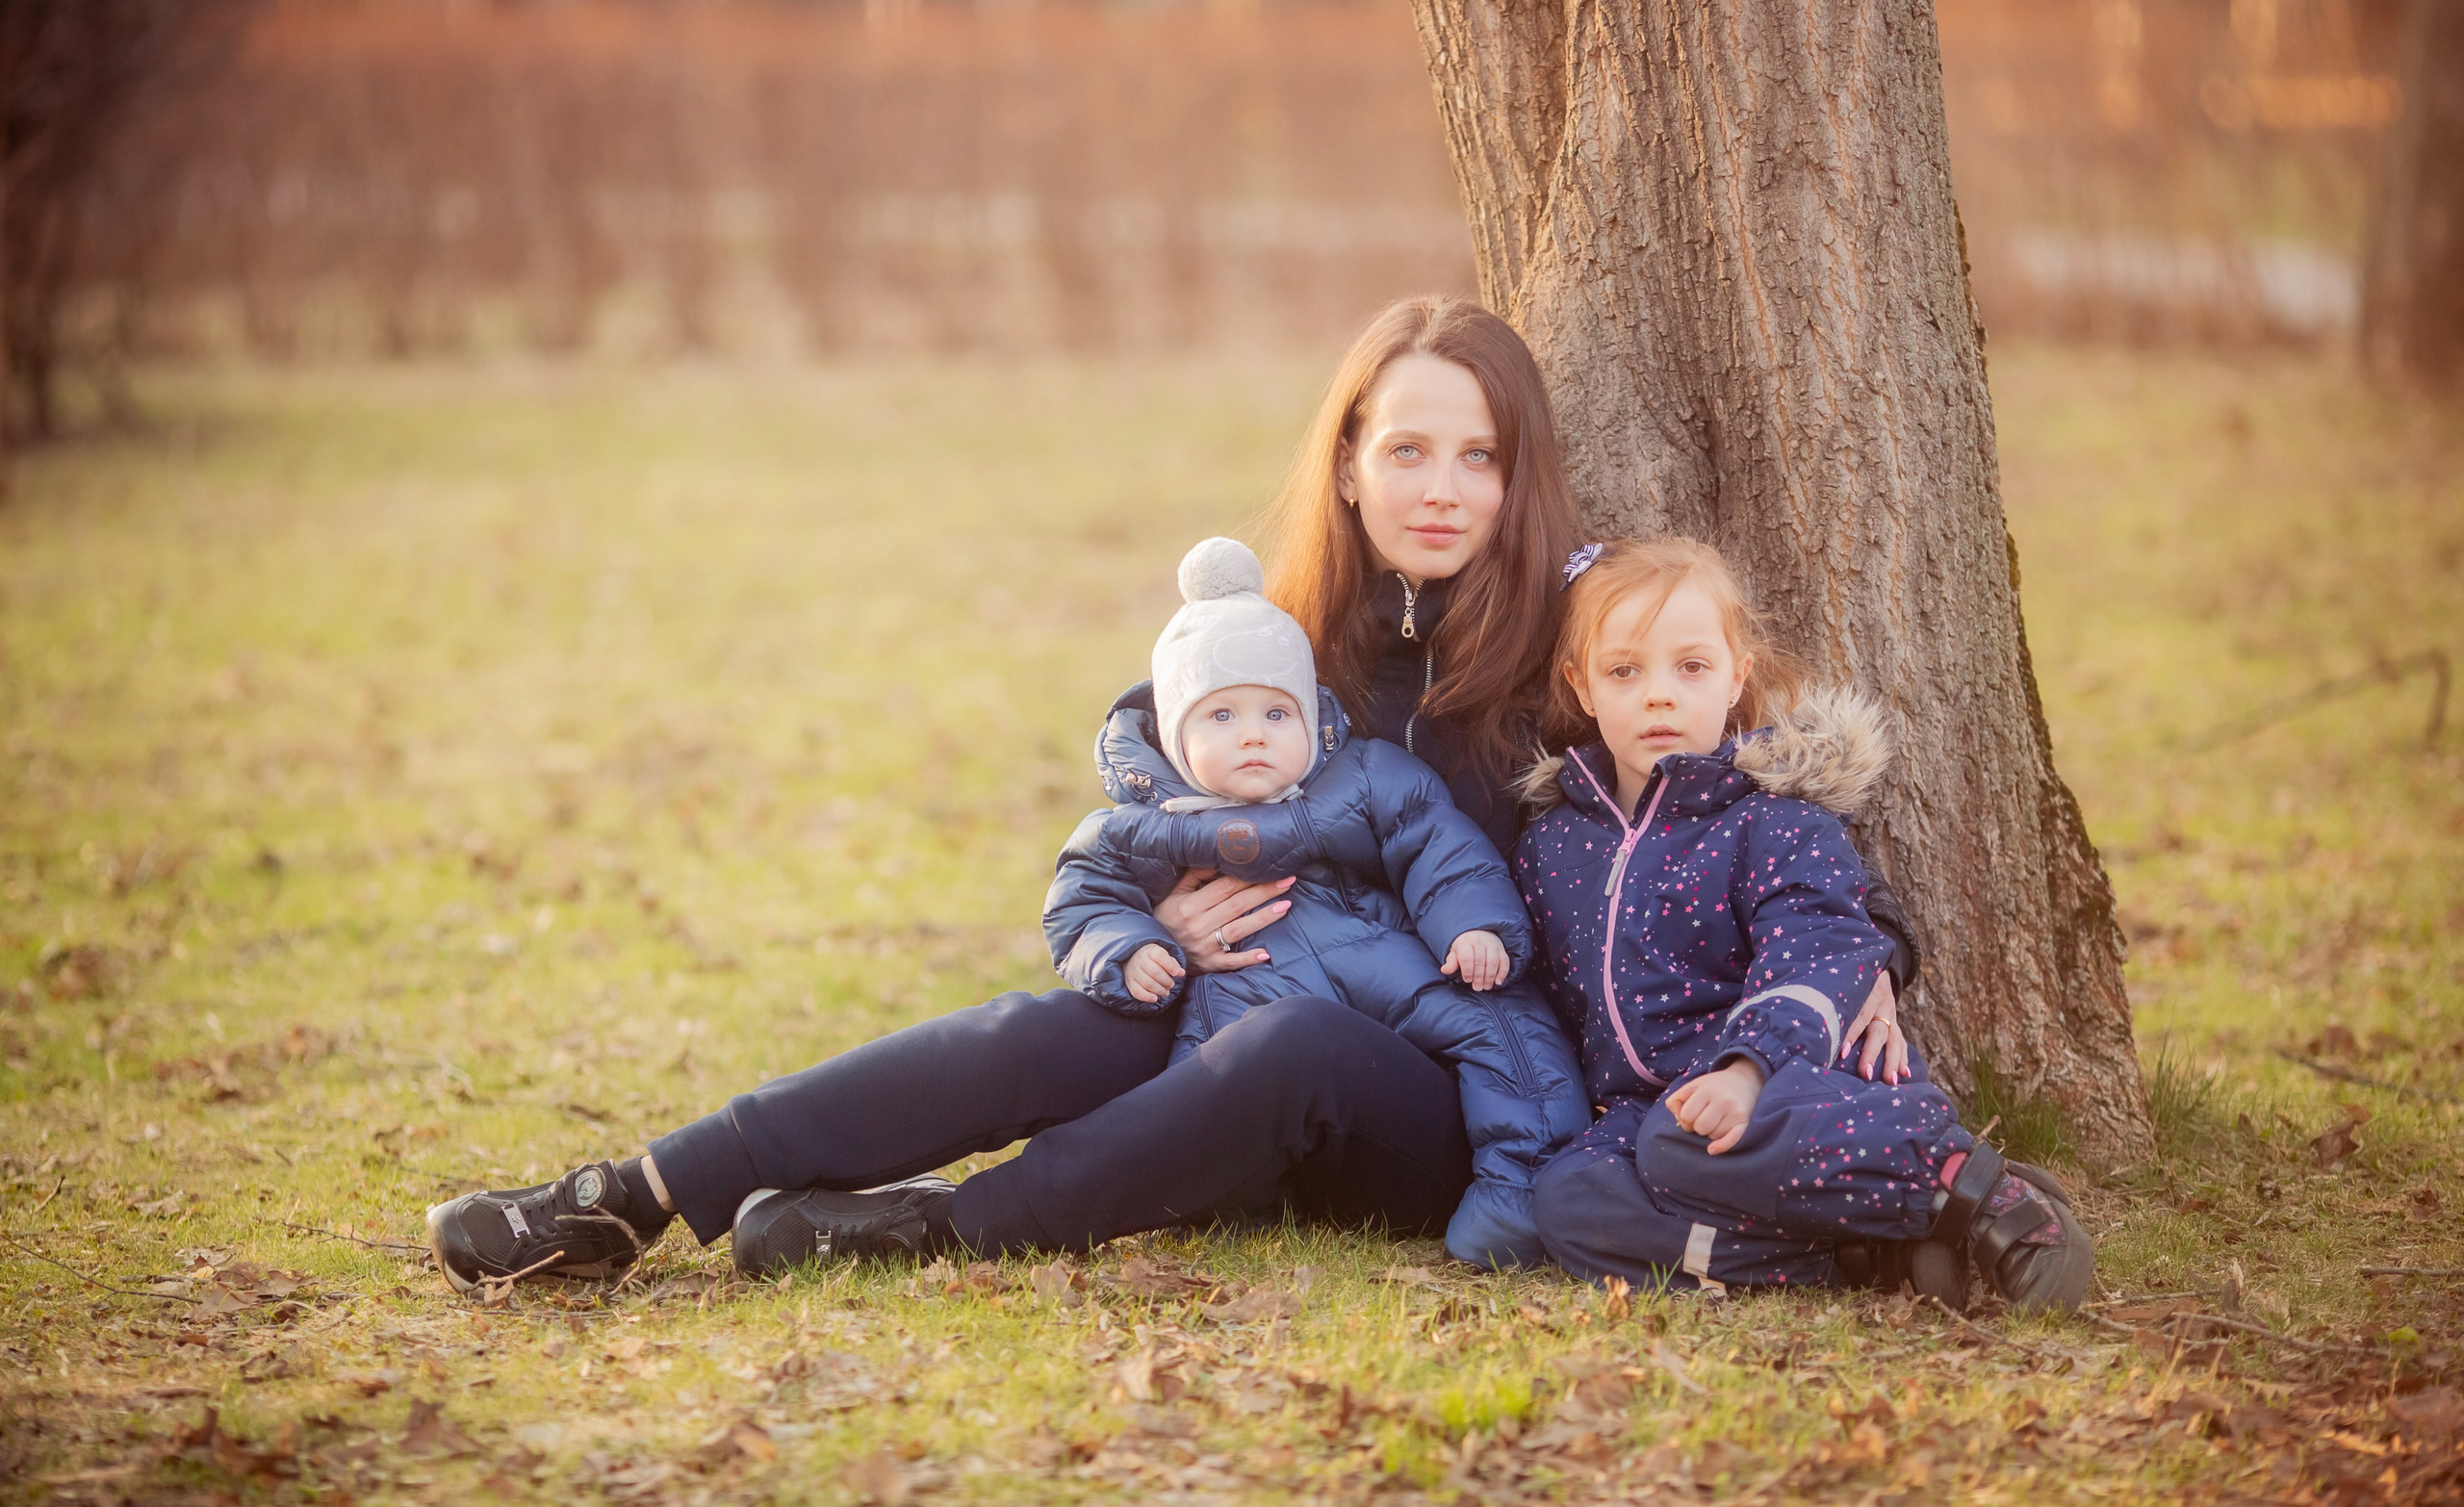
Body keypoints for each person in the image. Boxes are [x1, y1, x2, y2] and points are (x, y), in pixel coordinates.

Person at [423, 296, 1920, 1292]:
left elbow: (1759, 802)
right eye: (1405, 447)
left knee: (1297, 1043)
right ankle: (633, 1192)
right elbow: (1147, 778)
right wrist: (1164, 907)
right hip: (1244, 1001)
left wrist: (1878, 953)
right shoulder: (1285, 641)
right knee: (1074, 1018)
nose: (1442, 484)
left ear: (1522, 476)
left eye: (1480, 453)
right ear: (1345, 464)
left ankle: (943, 1226)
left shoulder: (1582, 646)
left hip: (1468, 1096)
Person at [1515, 538, 2093, 1311]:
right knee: (1567, 1197)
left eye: (1690, 667)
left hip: (1792, 1080)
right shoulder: (1553, 846)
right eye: (1625, 671)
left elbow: (1821, 940)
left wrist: (1748, 1069)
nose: (1659, 695)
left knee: (1678, 1138)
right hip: (1644, 1115)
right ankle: (1855, 1254)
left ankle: (1984, 1192)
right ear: (1581, 685)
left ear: (1736, 677)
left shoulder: (1770, 818)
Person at [1041, 535, 1587, 1267]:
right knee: (1202, 1088)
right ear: (1174, 738)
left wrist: (1475, 926)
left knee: (1502, 1024)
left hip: (1377, 956)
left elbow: (1437, 844)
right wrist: (1131, 946)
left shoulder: (1362, 778)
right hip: (1243, 990)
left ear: (1310, 718)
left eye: (1276, 714)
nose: (1254, 737)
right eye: (1221, 717)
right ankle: (1219, 1200)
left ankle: (1517, 1194)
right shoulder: (1141, 829)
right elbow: (1082, 902)